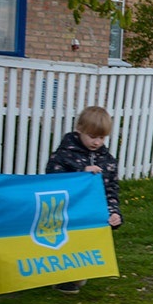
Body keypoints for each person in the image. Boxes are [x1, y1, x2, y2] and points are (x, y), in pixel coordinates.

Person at [45, 105, 122, 294]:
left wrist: (113, 212)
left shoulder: (107, 160)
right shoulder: (64, 155)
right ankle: (64, 278)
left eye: (101, 137)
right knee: (65, 243)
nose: (97, 142)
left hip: (91, 212)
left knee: (84, 243)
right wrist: (80, 173)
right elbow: (52, 179)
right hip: (67, 210)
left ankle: (76, 274)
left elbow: (111, 189)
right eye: (92, 136)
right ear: (79, 129)